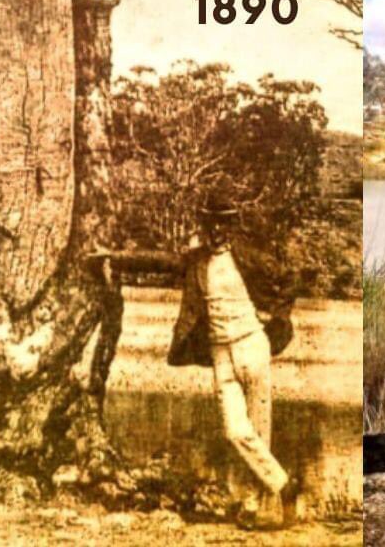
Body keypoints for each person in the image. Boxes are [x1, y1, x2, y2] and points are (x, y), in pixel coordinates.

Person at [89, 190, 298, 528]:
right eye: (211, 224)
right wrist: (113, 256)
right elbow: (156, 261)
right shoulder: (195, 261)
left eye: (223, 224)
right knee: (236, 431)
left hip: (252, 345)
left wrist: (277, 318)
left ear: (231, 225)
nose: (216, 230)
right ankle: (285, 486)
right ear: (205, 225)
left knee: (260, 431)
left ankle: (258, 507)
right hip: (221, 354)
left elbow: (289, 278)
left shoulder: (249, 256)